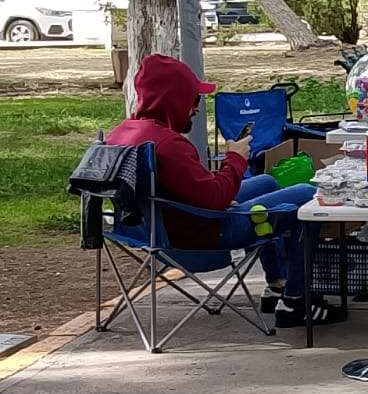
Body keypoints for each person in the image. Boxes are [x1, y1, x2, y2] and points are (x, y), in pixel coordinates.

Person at [105, 54, 340, 328]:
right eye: (193, 99)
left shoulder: (122, 134)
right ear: (174, 99)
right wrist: (235, 158)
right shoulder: (169, 145)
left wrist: (221, 181)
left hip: (151, 230)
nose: (196, 108)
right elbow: (216, 199)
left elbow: (197, 190)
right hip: (203, 236)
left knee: (267, 182)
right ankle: (296, 302)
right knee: (305, 195)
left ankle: (277, 284)